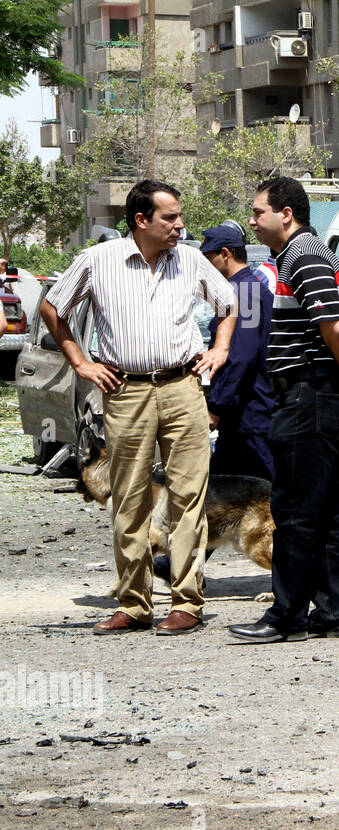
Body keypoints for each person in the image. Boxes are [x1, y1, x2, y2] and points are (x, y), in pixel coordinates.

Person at [39, 179, 235, 634]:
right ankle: (134, 603)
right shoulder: (98, 260)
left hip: (183, 387)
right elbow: (53, 307)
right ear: (141, 221)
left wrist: (220, 350)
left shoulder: (189, 260)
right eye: (170, 217)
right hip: (124, 391)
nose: (180, 225)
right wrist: (81, 362)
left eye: (179, 215)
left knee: (190, 497)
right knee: (129, 497)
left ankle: (187, 602)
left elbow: (228, 304)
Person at [229, 176, 339, 643]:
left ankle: (287, 616)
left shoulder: (304, 255)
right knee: (327, 507)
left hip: (309, 396)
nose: (252, 221)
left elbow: (334, 328)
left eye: (258, 212)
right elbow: (335, 329)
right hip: (318, 395)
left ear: (285, 214)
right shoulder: (303, 255)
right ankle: (333, 613)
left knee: (293, 508)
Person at [199, 224, 276, 479]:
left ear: (224, 254)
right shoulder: (242, 289)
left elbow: (241, 355)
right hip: (241, 414)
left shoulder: (246, 291)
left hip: (251, 413)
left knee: (267, 493)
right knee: (223, 491)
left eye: (207, 259)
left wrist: (216, 406)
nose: (205, 268)